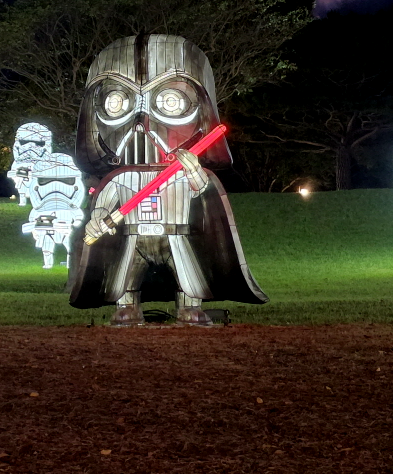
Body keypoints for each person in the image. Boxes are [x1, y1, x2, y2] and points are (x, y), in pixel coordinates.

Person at [68, 34, 268, 326]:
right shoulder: (119, 178)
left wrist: (194, 172)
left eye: (170, 101)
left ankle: (188, 307)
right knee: (127, 272)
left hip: (176, 236)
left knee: (187, 273)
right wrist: (98, 218)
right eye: (117, 102)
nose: (142, 123)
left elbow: (202, 192)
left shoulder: (184, 173)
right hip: (133, 237)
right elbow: (104, 203)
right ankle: (127, 306)